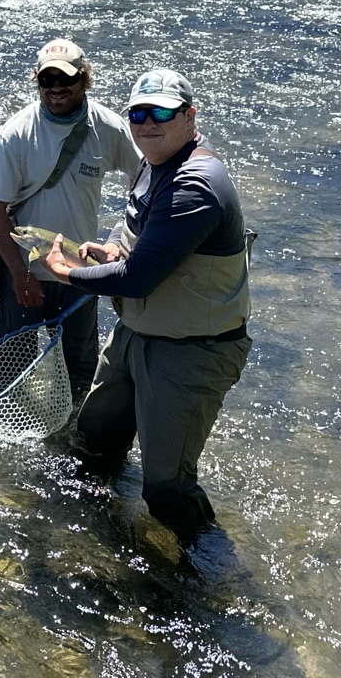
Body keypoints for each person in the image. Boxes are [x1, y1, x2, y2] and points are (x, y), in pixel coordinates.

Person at [40, 68, 253, 544]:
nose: (147, 122)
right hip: (137, 333)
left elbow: (138, 277)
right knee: (95, 440)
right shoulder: (155, 161)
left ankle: (212, 579)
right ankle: (97, 537)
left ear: (189, 115)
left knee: (167, 488)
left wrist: (67, 272)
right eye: (138, 112)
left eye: (161, 112)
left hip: (190, 351)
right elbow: (131, 232)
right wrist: (109, 248)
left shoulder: (196, 185)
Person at [0, 39, 141, 402]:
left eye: (65, 79)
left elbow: (144, 182)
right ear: (37, 81)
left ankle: (74, 441)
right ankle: (8, 450)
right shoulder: (15, 134)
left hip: (80, 273)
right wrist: (20, 275)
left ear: (85, 79)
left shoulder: (109, 127)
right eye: (46, 80)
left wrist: (120, 240)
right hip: (22, 272)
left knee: (80, 369)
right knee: (11, 367)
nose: (55, 89)